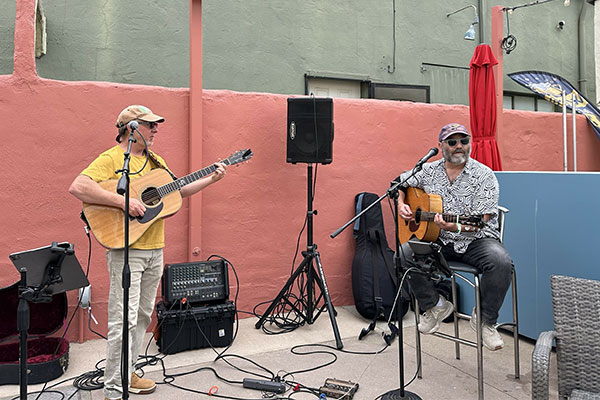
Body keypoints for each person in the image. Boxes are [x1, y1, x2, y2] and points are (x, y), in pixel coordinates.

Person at [69, 105, 227, 400]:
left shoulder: (157, 161)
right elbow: (78, 187)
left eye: (156, 125)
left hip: (155, 249)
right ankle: (113, 390)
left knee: (141, 316)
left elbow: (176, 190)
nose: (156, 129)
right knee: (122, 320)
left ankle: (128, 373)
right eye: (150, 125)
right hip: (125, 251)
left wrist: (211, 179)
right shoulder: (113, 158)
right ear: (132, 128)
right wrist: (123, 203)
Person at [397, 122, 513, 351]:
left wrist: (453, 226)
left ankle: (486, 321)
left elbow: (480, 221)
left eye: (464, 141)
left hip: (476, 240)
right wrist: (402, 203)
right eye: (452, 142)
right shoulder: (428, 170)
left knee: (501, 262)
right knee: (404, 253)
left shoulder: (484, 175)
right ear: (441, 146)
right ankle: (436, 305)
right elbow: (399, 182)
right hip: (439, 239)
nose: (459, 146)